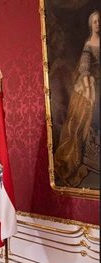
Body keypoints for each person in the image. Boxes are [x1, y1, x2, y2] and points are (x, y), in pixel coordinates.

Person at [54, 10, 100, 187]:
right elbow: (84, 66)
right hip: (95, 80)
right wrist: (89, 75)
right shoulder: (89, 44)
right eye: (95, 21)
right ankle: (90, 157)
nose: (97, 24)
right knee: (92, 110)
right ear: (91, 24)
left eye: (99, 21)